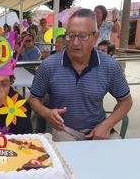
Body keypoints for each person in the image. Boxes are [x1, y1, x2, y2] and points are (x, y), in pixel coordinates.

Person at [29, 8, 132, 141]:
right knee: (67, 160)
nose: (75, 42)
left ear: (96, 37)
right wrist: (47, 113)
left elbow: (126, 101)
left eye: (83, 36)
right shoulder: (48, 65)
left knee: (120, 157)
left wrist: (107, 125)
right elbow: (33, 99)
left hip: (98, 128)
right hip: (64, 129)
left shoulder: (109, 65)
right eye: (70, 36)